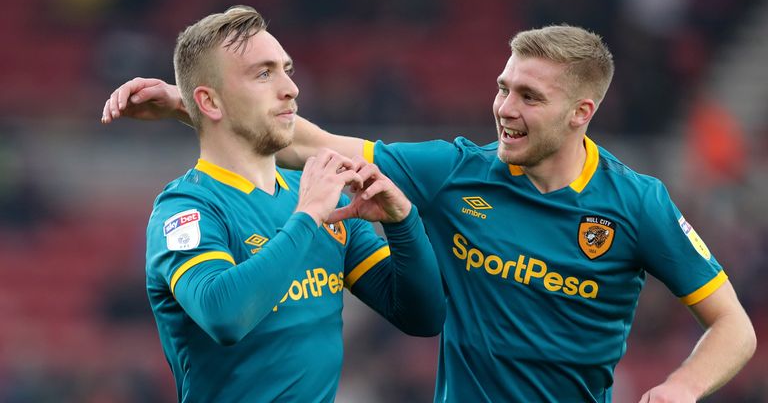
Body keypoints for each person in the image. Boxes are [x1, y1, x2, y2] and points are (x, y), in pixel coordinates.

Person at [103, 25, 756, 402]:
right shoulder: (455, 170)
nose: (504, 107)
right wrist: (191, 102)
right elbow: (314, 145)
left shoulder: (636, 204)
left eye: (528, 96)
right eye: (503, 86)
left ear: (581, 113)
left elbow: (733, 327)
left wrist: (683, 389)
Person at [121, 6, 446, 402]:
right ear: (209, 102)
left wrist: (402, 222)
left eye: (286, 69)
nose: (290, 88)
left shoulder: (319, 195)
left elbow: (423, 316)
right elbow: (224, 316)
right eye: (263, 73)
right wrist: (307, 216)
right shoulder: (186, 209)